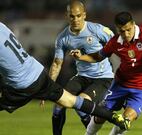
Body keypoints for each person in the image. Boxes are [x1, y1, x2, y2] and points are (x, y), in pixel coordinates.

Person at [0, 22, 128, 131]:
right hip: (37, 72)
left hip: (22, 84)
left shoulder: (96, 30)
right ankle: (113, 117)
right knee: (69, 101)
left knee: (75, 102)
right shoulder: (2, 26)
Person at [70, 11, 142, 135]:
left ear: (133, 24)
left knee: (126, 120)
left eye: (128, 30)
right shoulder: (115, 42)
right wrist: (81, 57)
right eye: (121, 31)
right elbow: (98, 56)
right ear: (117, 29)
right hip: (120, 85)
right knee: (101, 115)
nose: (126, 34)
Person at [46, 1, 115, 134]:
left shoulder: (97, 30)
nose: (75, 19)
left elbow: (117, 43)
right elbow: (56, 64)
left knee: (80, 104)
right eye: (72, 16)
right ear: (67, 16)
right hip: (81, 76)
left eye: (78, 16)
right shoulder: (63, 38)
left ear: (84, 15)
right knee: (59, 103)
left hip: (102, 78)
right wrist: (48, 87)